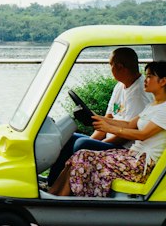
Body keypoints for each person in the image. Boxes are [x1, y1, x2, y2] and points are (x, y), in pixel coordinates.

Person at [46, 61, 166, 199]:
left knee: (83, 155)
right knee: (78, 157)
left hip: (141, 165)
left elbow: (143, 134)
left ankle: (62, 200)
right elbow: (130, 124)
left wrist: (109, 128)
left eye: (149, 76)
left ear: (163, 81)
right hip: (133, 156)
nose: (145, 80)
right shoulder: (153, 105)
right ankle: (52, 195)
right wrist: (98, 118)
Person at [44, 46, 150, 188]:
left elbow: (127, 134)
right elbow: (105, 120)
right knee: (69, 137)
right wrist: (92, 139)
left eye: (110, 65)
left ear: (119, 67)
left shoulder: (139, 94)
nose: (110, 69)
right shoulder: (120, 86)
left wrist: (95, 142)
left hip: (124, 147)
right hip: (111, 141)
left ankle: (69, 188)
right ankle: (51, 185)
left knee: (82, 144)